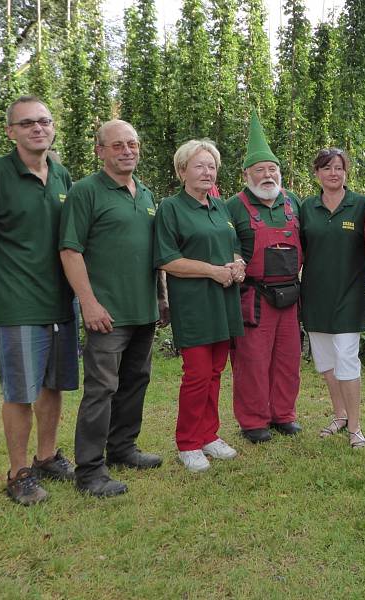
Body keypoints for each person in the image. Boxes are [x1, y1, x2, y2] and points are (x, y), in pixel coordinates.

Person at [0, 96, 78, 505]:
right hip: (19, 306)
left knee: (52, 385)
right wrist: (3, 282)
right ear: (10, 131)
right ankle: (18, 472)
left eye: (44, 121)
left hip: (61, 302)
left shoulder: (61, 175)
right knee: (20, 392)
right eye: (27, 123)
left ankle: (46, 456)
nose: (38, 129)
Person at [60, 120, 165, 497]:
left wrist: (161, 299)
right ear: (100, 151)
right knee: (101, 389)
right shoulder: (86, 192)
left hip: (143, 310)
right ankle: (89, 471)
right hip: (107, 312)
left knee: (136, 381)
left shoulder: (148, 195)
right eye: (117, 145)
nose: (127, 150)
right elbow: (70, 250)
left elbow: (155, 254)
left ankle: (122, 448)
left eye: (132, 144)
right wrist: (88, 303)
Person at [154, 139, 244, 472]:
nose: (207, 172)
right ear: (182, 171)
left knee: (216, 372)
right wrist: (212, 271)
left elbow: (233, 248)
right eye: (199, 166)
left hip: (224, 300)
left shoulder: (220, 207)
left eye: (211, 166)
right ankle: (188, 443)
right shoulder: (171, 208)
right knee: (196, 374)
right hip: (194, 303)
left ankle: (209, 435)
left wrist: (238, 266)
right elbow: (167, 259)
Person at [226, 110, 303, 443]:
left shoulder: (293, 203)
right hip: (254, 298)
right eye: (260, 170)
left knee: (288, 359)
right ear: (247, 174)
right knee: (252, 362)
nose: (268, 175)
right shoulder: (233, 206)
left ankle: (283, 414)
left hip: (290, 295)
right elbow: (222, 243)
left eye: (272, 169)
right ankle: (254, 421)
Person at [299, 148, 365, 449]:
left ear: (346, 172)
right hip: (315, 295)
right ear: (316, 173)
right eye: (326, 168)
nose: (333, 173)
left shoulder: (361, 205)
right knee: (326, 362)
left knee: (346, 359)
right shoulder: (306, 207)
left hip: (349, 294)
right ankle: (339, 415)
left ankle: (355, 427)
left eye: (339, 167)